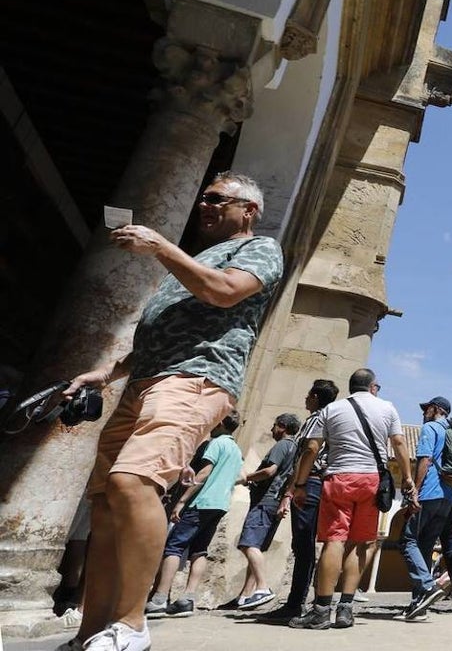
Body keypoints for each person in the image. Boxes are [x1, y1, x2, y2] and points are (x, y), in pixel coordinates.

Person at [58, 172, 283, 651]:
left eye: (216, 199)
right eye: (203, 198)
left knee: (132, 482)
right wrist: (108, 374)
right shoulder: (195, 258)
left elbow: (224, 292)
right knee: (105, 505)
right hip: (143, 382)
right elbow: (167, 326)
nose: (204, 205)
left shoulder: (261, 249)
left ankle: (132, 623)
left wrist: (161, 247)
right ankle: (91, 631)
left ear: (249, 210)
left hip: (196, 380)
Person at [287, 368, 415, 630]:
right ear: (372, 386)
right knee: (360, 543)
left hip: (339, 478)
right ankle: (345, 609)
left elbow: (312, 448)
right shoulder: (387, 408)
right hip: (372, 481)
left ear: (350, 386)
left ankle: (321, 610)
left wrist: (299, 484)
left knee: (334, 540)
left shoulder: (332, 410)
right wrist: (408, 478)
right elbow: (400, 443)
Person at [145, 412, 244, 617]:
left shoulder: (216, 443)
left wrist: (182, 501)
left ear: (222, 424)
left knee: (174, 546)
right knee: (199, 550)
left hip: (202, 502)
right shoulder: (236, 449)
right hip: (220, 504)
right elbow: (241, 477)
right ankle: (188, 598)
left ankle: (159, 599)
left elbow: (204, 473)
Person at [261, 379, 339, 623]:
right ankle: (307, 601)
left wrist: (294, 488)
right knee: (307, 546)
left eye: (308, 395)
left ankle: (297, 603)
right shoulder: (331, 418)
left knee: (303, 546)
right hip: (319, 483)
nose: (305, 399)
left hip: (310, 482)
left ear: (315, 397)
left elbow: (308, 452)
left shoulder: (316, 419)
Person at [400, 395, 452, 621]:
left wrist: (415, 491)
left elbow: (425, 460)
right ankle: (418, 602)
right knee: (424, 546)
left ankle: (427, 586)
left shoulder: (430, 428)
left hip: (429, 492)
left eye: (427, 408)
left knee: (407, 540)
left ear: (436, 409)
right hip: (448, 496)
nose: (424, 412)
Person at [229, 412, 301, 609]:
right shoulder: (296, 448)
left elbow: (270, 471)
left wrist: (246, 478)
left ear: (283, 427)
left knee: (248, 544)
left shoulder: (282, 445)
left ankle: (262, 588)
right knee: (257, 548)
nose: (272, 430)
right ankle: (246, 595)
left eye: (275, 425)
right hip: (275, 502)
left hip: (265, 500)